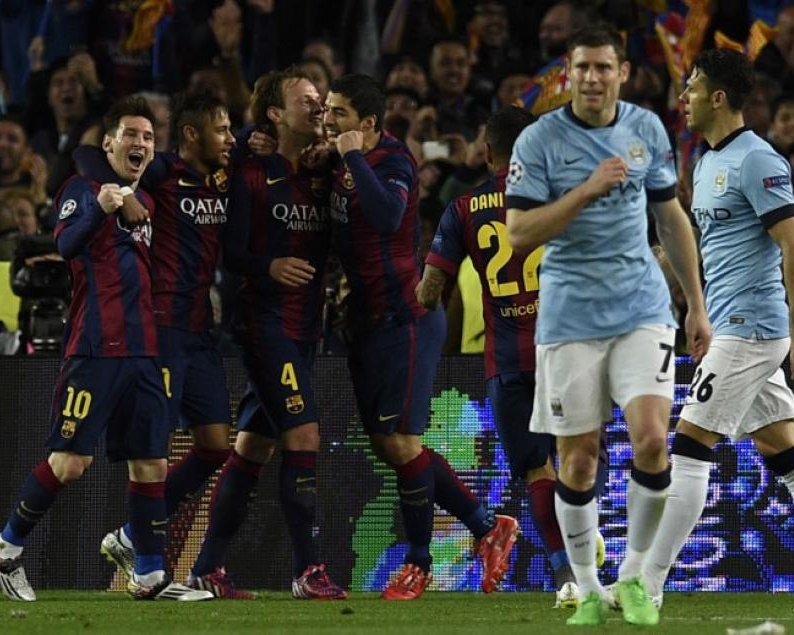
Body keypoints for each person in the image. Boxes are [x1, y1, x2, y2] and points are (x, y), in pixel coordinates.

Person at [640, 48, 794, 614]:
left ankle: (644, 584)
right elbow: (712, 248)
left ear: (718, 98)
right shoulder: (704, 159)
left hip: (754, 327)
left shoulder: (758, 159)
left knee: (690, 447)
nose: (684, 98)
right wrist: (697, 310)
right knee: (786, 453)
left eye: (692, 88)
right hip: (729, 323)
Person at [504, 24, 710, 626]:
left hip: (642, 308)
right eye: (583, 68)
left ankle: (635, 576)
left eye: (604, 68)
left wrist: (695, 304)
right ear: (569, 74)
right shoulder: (540, 141)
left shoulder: (646, 129)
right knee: (578, 462)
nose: (593, 78)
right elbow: (519, 234)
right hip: (569, 316)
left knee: (651, 438)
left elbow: (669, 217)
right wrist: (587, 190)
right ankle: (589, 589)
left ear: (622, 73)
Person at [0, 96, 211, 602]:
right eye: (131, 134)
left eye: (149, 136)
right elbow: (64, 247)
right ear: (108, 143)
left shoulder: (147, 202)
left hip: (144, 351)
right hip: (94, 348)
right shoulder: (80, 190)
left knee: (151, 463)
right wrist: (102, 206)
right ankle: (7, 544)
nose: (141, 143)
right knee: (70, 461)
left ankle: (150, 574)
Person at [324, 73, 519, 600]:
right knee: (392, 446)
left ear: (366, 123)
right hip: (365, 319)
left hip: (408, 316)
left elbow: (387, 217)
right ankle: (487, 526)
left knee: (403, 443)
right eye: (325, 110)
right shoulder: (339, 162)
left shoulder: (393, 162)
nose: (328, 120)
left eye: (338, 112)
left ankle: (419, 564)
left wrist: (352, 158)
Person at [417, 106, 609, 609]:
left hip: (506, 360)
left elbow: (430, 290)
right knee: (580, 459)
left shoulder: (462, 209)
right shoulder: (564, 198)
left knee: (536, 472)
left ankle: (566, 573)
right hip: (568, 349)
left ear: (486, 153)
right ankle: (585, 539)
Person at [76, 93, 243, 598]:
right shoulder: (161, 171)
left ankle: (132, 534)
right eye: (222, 128)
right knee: (153, 448)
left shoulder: (224, 177)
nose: (230, 139)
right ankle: (146, 559)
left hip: (201, 330)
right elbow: (87, 156)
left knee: (216, 445)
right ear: (191, 134)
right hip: (162, 328)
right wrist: (117, 190)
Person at [200, 67, 346, 600]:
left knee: (253, 448)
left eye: (321, 98)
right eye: (305, 99)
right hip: (263, 323)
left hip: (308, 327)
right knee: (303, 434)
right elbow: (230, 252)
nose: (317, 105)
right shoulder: (251, 170)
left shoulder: (325, 170)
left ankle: (207, 567)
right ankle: (308, 570)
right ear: (275, 114)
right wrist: (270, 267)